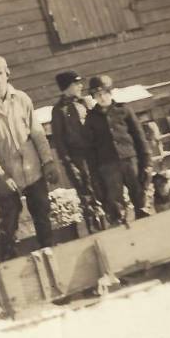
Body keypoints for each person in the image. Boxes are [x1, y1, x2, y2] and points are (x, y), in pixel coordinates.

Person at [0, 55, 59, 261]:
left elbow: (36, 132)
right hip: (7, 176)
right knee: (9, 220)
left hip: (33, 170)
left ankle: (50, 254)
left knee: (42, 211)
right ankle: (7, 262)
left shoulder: (22, 99)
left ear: (7, 74)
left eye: (1, 73)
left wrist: (48, 161)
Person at [85, 75, 152, 224]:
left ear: (110, 92)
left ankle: (144, 216)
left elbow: (139, 137)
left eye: (104, 93)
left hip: (129, 159)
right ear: (94, 97)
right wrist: (95, 174)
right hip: (108, 165)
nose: (102, 98)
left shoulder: (124, 110)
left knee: (139, 192)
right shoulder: (91, 118)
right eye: (97, 95)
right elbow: (90, 150)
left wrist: (146, 160)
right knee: (114, 201)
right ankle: (119, 222)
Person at [50, 70, 107, 233]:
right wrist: (69, 163)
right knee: (87, 193)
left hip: (95, 154)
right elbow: (59, 140)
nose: (81, 86)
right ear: (67, 87)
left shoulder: (86, 103)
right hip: (77, 158)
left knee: (102, 188)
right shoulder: (59, 110)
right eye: (76, 84)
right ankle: (95, 228)